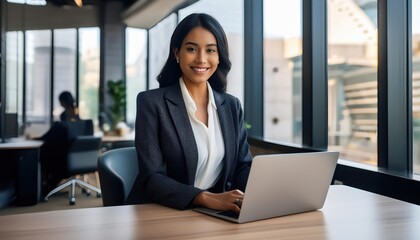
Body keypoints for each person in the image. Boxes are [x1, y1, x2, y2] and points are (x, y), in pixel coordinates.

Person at [126, 13, 253, 214]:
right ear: (177, 53)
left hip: (212, 213)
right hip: (159, 211)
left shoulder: (231, 105)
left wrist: (261, 193)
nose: (201, 59)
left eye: (210, 50)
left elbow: (242, 166)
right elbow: (152, 178)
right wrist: (204, 198)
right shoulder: (151, 103)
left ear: (219, 57)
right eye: (192, 49)